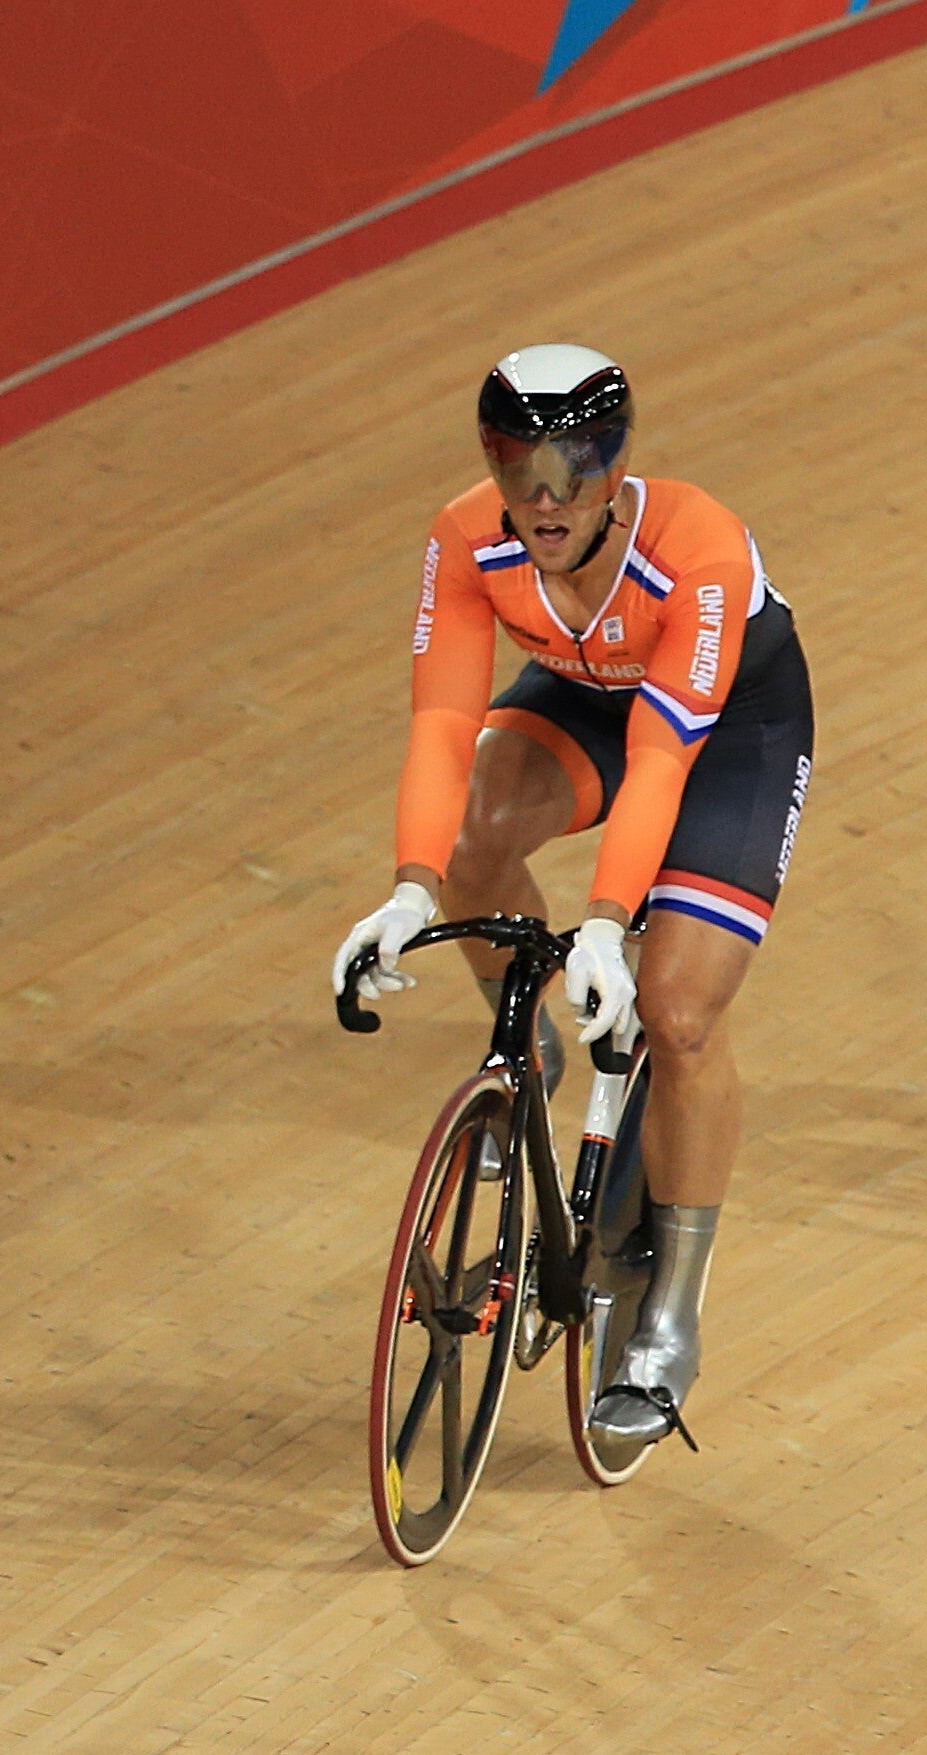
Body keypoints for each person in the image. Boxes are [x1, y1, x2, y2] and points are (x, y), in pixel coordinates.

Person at [327, 345, 815, 1457]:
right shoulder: (468, 535)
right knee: (469, 837)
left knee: (680, 1012)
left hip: (723, 729)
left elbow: (662, 756)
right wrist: (408, 889)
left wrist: (603, 921)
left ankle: (671, 1317)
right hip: (586, 698)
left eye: (573, 463)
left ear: (616, 459)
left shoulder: (693, 545)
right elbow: (444, 724)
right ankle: (530, 1045)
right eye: (517, 461)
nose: (544, 497)